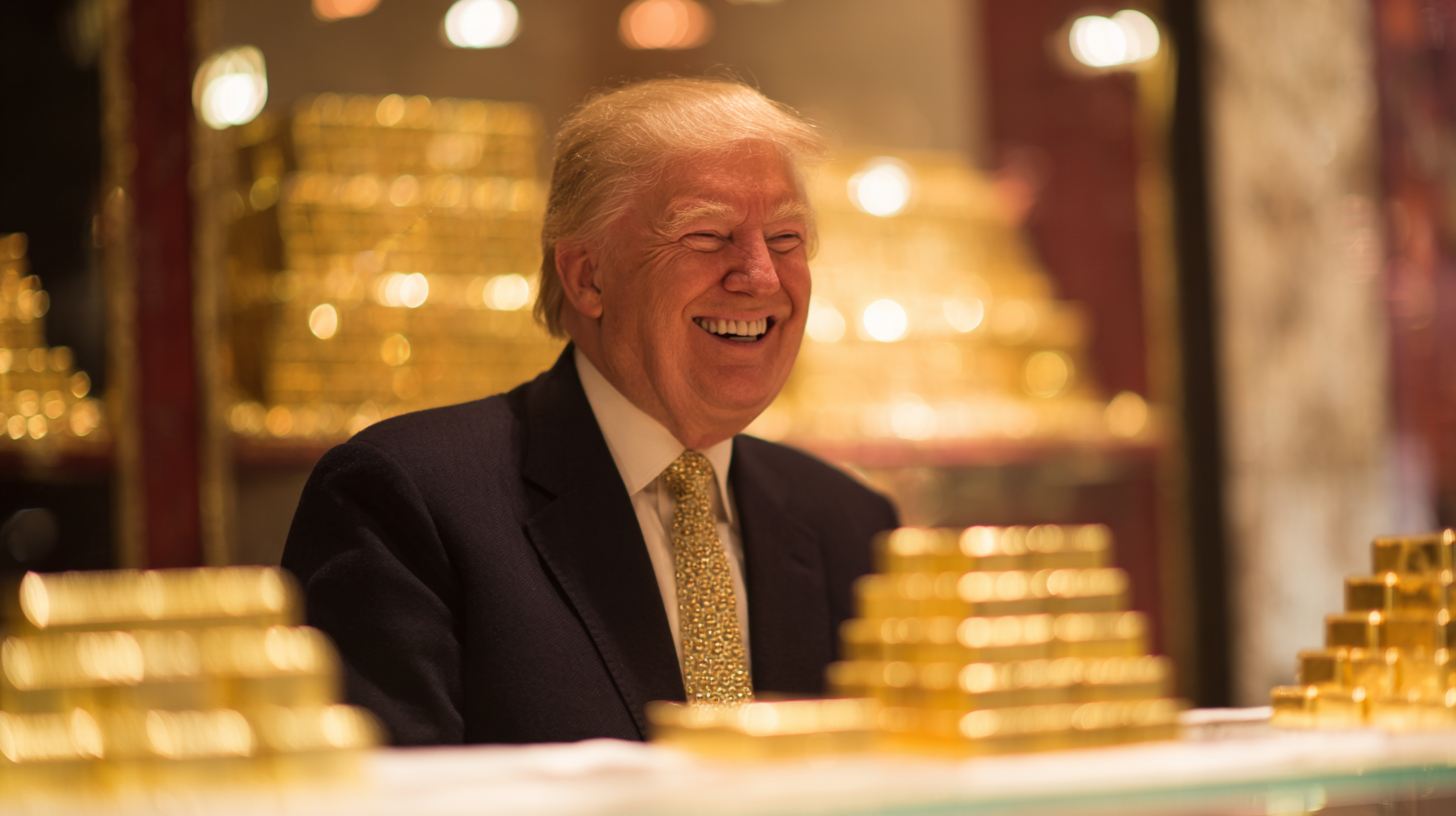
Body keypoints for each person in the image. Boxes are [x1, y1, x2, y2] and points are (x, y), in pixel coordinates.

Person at [281, 78, 899, 746]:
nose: (761, 276)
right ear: (587, 277)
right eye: (706, 235)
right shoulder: (404, 502)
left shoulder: (852, 526)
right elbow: (388, 790)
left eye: (785, 238)